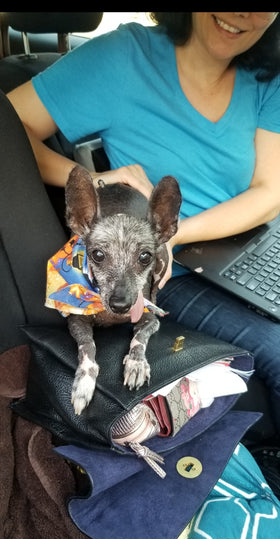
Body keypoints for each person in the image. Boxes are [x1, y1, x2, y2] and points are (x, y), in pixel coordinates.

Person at [4, 12, 280, 433]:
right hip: (176, 270)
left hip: (254, 245)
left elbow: (269, 192)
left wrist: (178, 230)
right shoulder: (124, 56)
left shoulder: (268, 77)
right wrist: (97, 184)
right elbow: (8, 125)